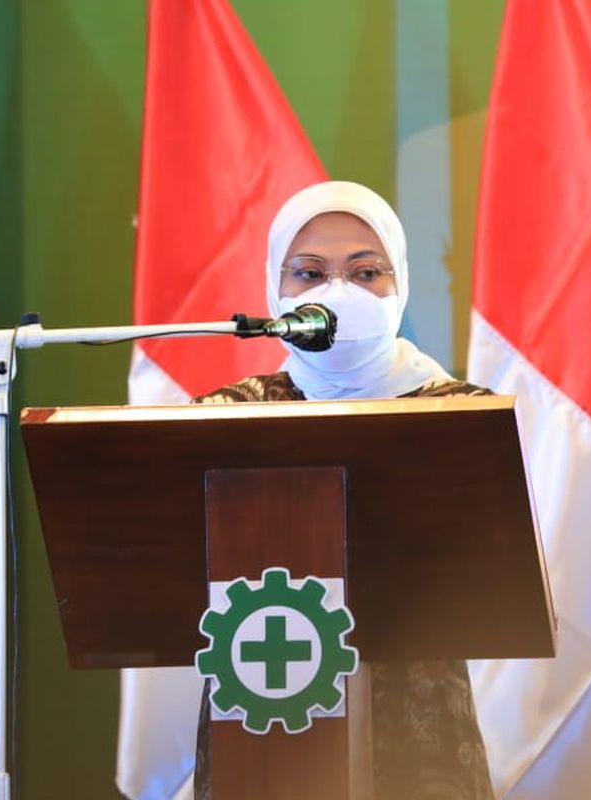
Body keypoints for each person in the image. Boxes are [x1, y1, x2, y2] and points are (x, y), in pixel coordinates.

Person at [193, 181, 494, 800]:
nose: (339, 293)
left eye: (365, 272)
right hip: (263, 696)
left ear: (398, 283)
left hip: (418, 717)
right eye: (309, 274)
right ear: (276, 292)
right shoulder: (222, 419)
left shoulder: (459, 416)